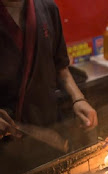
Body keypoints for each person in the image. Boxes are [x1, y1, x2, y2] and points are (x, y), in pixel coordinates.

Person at [0, 0, 98, 139]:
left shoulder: (47, 7)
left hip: (47, 127)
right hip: (6, 137)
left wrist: (78, 99)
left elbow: (61, 67)